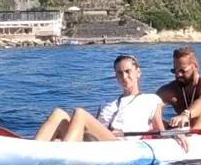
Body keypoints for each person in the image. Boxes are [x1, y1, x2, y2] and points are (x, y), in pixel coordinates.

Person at [34, 54, 167, 141]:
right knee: (58, 113)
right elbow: (94, 127)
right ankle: (35, 151)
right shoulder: (108, 103)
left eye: (128, 72)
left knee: (80, 113)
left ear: (138, 72)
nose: (124, 77)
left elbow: (159, 130)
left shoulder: (151, 99)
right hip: (98, 141)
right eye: (120, 73)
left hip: (120, 144)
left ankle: (66, 152)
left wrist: (177, 137)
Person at [155, 46, 201, 130]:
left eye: (183, 70)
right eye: (175, 71)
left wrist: (186, 114)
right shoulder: (172, 89)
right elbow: (151, 104)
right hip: (186, 131)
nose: (178, 75)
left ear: (195, 66)